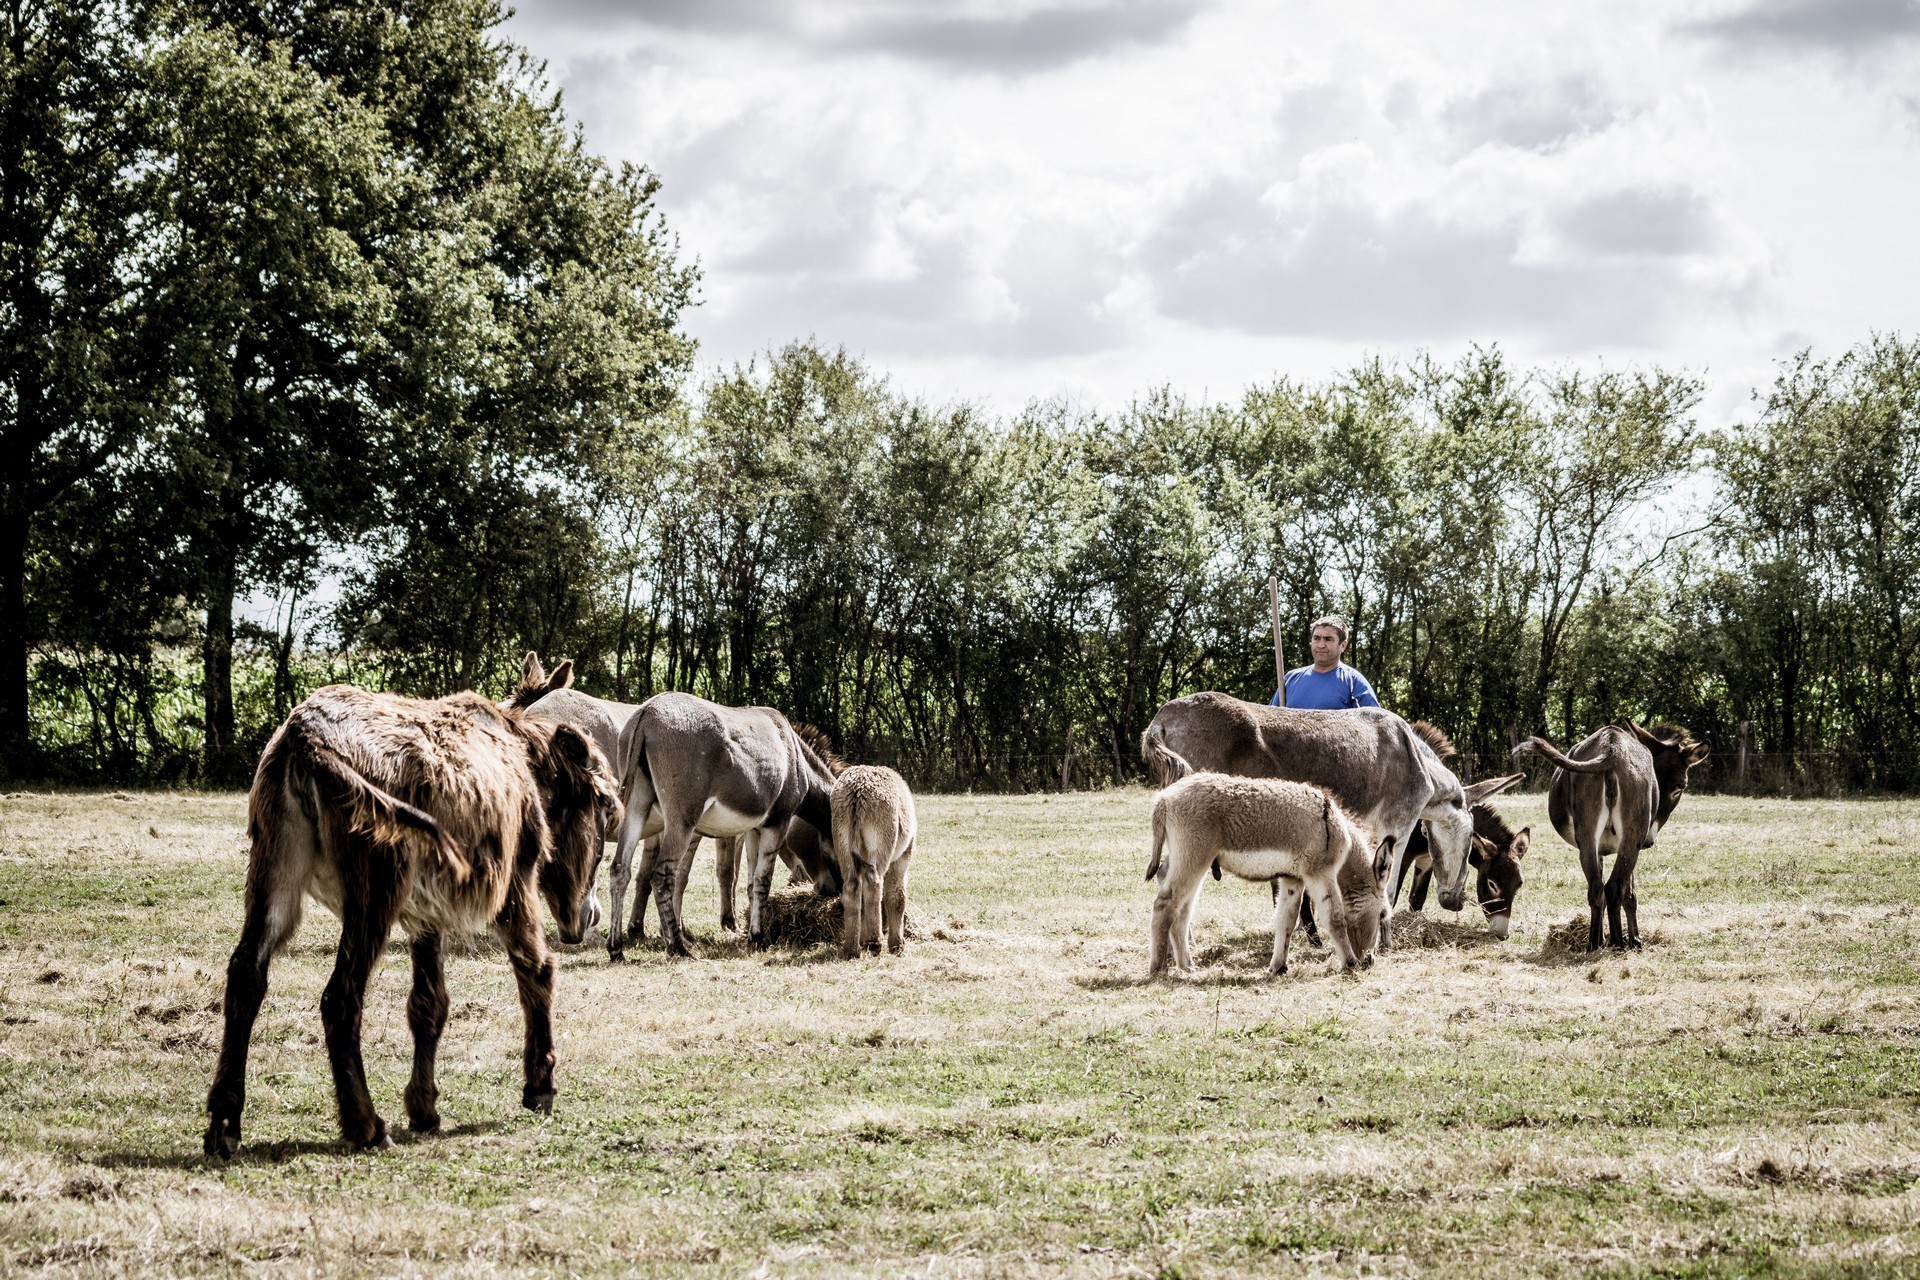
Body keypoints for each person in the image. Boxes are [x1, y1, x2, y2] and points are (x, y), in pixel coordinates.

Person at [1269, 615, 1379, 710]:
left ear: (1343, 645)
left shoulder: (1354, 683)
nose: (1321, 645)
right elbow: (1271, 720)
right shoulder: (1290, 679)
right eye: (1316, 638)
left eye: (1328, 639)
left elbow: (1375, 725)